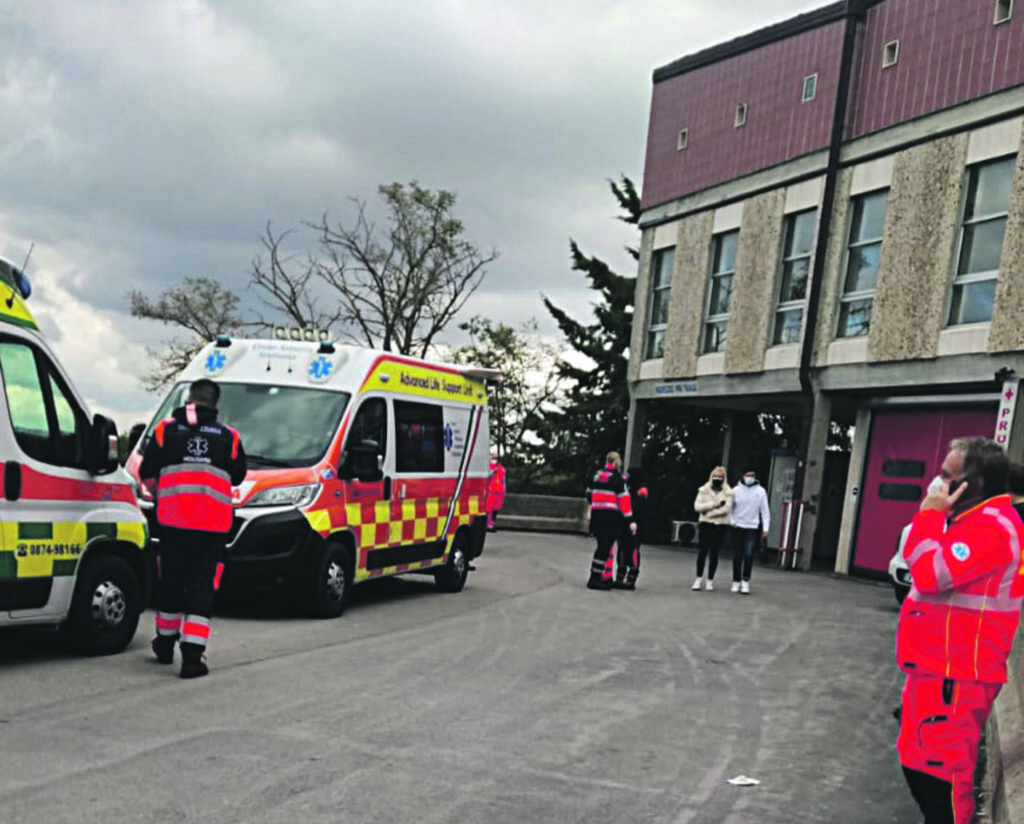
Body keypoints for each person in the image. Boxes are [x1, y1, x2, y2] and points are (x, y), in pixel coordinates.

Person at [896, 437, 1024, 824]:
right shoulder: (968, 522)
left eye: (947, 477)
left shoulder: (993, 528)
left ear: (976, 483)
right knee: (917, 767)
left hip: (959, 675)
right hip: (935, 670)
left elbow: (930, 574)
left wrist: (929, 516)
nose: (938, 484)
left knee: (943, 780)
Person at [139, 378, 247, 679]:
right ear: (215, 405)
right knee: (201, 588)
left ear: (189, 399)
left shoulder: (164, 432)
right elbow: (238, 477)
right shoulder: (230, 438)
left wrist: (161, 493)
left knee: (171, 583)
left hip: (173, 523)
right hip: (212, 529)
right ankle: (191, 658)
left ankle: (164, 644)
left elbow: (146, 473)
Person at [586, 451, 636, 590]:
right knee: (605, 547)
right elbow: (624, 501)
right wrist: (630, 519)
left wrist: (596, 503)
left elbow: (588, 494)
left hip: (596, 514)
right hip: (610, 517)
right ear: (617, 462)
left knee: (601, 546)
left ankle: (596, 575)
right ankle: (595, 578)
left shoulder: (596, 475)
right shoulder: (617, 478)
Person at [729, 469, 769, 594]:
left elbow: (765, 510)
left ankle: (745, 580)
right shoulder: (735, 490)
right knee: (737, 555)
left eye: (752, 475)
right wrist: (732, 522)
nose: (749, 478)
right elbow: (729, 508)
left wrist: (765, 528)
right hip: (738, 526)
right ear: (743, 476)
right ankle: (736, 581)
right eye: (747, 475)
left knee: (749, 554)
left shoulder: (761, 491)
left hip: (752, 527)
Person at [692, 466, 731, 591]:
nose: (717, 478)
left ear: (724, 478)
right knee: (702, 552)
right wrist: (714, 505)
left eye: (720, 476)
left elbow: (726, 509)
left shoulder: (728, 492)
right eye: (715, 476)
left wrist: (708, 512)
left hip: (720, 525)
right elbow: (697, 507)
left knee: (714, 553)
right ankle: (698, 579)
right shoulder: (703, 490)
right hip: (706, 525)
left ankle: (710, 580)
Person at [614, 468, 648, 591]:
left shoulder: (642, 488)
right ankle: (620, 575)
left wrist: (632, 520)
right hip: (624, 521)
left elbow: (639, 504)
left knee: (633, 549)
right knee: (622, 548)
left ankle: (631, 578)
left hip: (636, 522)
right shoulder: (625, 485)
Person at [487, 451, 506, 532]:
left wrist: (504, 490)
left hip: (499, 491)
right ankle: (488, 525)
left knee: (495, 509)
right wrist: (492, 472)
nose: (495, 460)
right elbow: (486, 476)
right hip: (491, 491)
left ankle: (491, 524)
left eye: (496, 458)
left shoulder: (502, 469)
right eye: (493, 458)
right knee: (489, 509)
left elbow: (503, 481)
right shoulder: (489, 467)